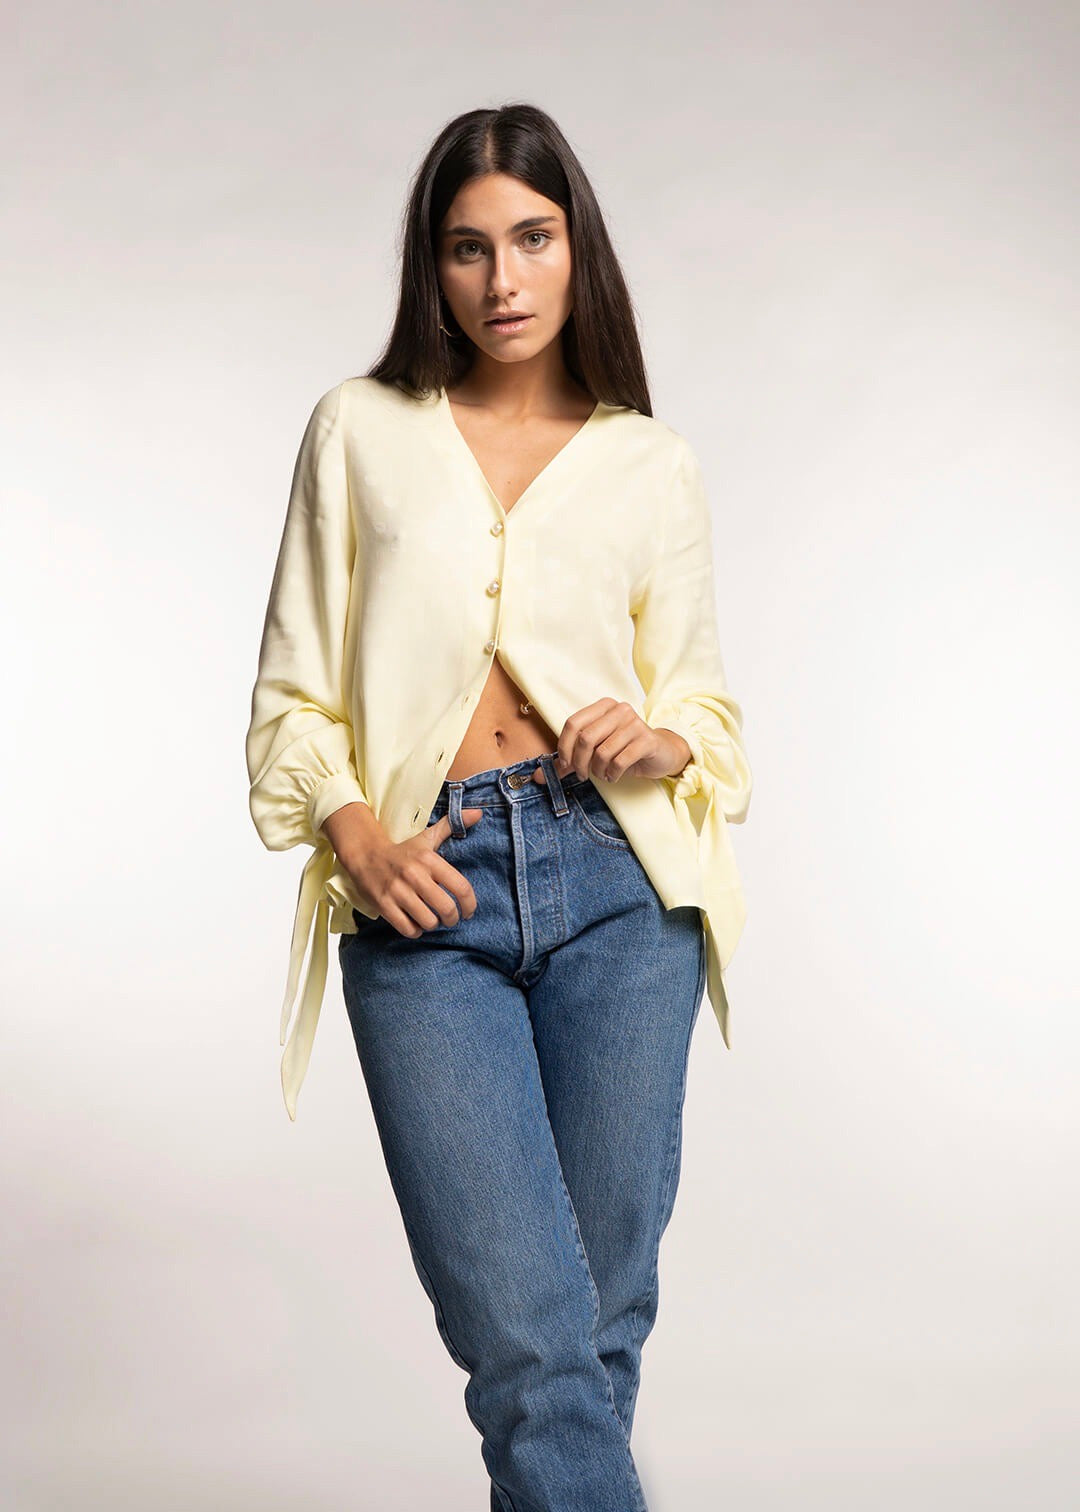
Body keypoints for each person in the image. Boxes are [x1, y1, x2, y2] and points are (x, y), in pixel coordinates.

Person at [245, 101, 753, 1512]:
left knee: (598, 1328)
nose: (504, 280)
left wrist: (659, 736)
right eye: (468, 249)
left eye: (533, 239)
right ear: (433, 266)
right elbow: (292, 699)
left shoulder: (651, 461)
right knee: (530, 1345)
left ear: (579, 248)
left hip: (618, 890)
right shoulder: (358, 431)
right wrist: (359, 841)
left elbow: (709, 719)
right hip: (428, 892)